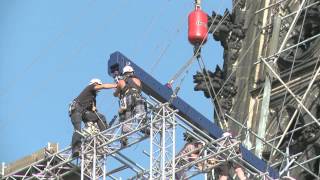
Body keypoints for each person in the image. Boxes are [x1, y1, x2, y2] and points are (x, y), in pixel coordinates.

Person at [69, 78, 117, 157]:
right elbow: (104, 86)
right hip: (76, 110)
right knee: (77, 129)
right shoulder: (91, 87)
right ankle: (75, 149)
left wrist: (94, 108)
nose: (98, 90)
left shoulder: (93, 98)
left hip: (84, 113)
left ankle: (104, 136)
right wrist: (115, 85)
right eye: (98, 86)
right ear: (96, 84)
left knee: (100, 117)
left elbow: (94, 111)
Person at [113, 65, 147, 146]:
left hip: (128, 98)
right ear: (132, 72)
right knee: (141, 114)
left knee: (127, 119)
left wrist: (116, 88)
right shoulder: (137, 80)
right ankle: (144, 128)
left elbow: (115, 94)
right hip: (138, 98)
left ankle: (124, 137)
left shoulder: (122, 81)